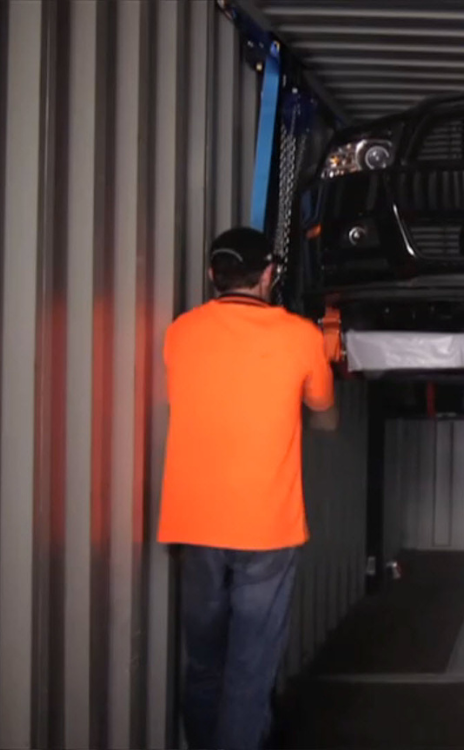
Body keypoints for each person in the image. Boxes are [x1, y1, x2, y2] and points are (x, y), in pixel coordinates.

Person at [158, 227, 338, 750]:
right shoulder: (300, 337)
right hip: (266, 529)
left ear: (212, 275)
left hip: (195, 526)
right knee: (249, 672)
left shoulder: (180, 332)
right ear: (268, 275)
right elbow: (325, 417)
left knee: (204, 665)